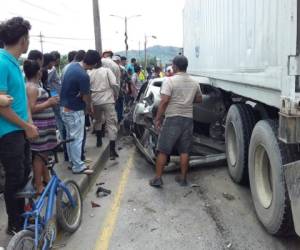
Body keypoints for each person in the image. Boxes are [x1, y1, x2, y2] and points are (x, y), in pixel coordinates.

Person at [0, 16, 39, 234]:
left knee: (23, 176)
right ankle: (14, 225)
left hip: (20, 130)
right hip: (8, 132)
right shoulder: (1, 62)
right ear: (23, 40)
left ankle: (22, 219)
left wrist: (30, 124)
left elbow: (21, 99)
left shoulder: (14, 63)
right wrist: (25, 125)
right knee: (14, 179)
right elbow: (2, 105)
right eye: (29, 38)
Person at [149, 55, 202, 188]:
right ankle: (183, 179)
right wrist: (187, 100)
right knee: (185, 151)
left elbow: (164, 101)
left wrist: (158, 118)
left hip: (173, 118)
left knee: (163, 149)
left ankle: (158, 179)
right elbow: (199, 99)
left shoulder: (169, 81)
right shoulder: (194, 82)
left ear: (175, 66)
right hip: (188, 119)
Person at [60, 50, 100, 174]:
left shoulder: (72, 67)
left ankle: (73, 161)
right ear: (93, 64)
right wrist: (89, 109)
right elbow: (86, 97)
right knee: (77, 138)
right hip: (74, 110)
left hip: (64, 108)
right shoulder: (83, 75)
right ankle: (78, 166)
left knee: (69, 137)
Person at [24, 60, 58, 194]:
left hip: (42, 127)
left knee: (43, 155)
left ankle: (47, 179)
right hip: (39, 127)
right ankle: (39, 186)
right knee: (39, 157)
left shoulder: (29, 85)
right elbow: (30, 109)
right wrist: (48, 103)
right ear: (39, 72)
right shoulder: (32, 88)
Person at [88, 60, 120, 160]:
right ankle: (112, 150)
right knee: (111, 123)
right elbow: (114, 84)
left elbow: (87, 88)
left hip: (95, 100)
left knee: (97, 120)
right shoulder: (107, 71)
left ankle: (98, 140)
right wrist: (116, 95)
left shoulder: (89, 73)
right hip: (108, 100)